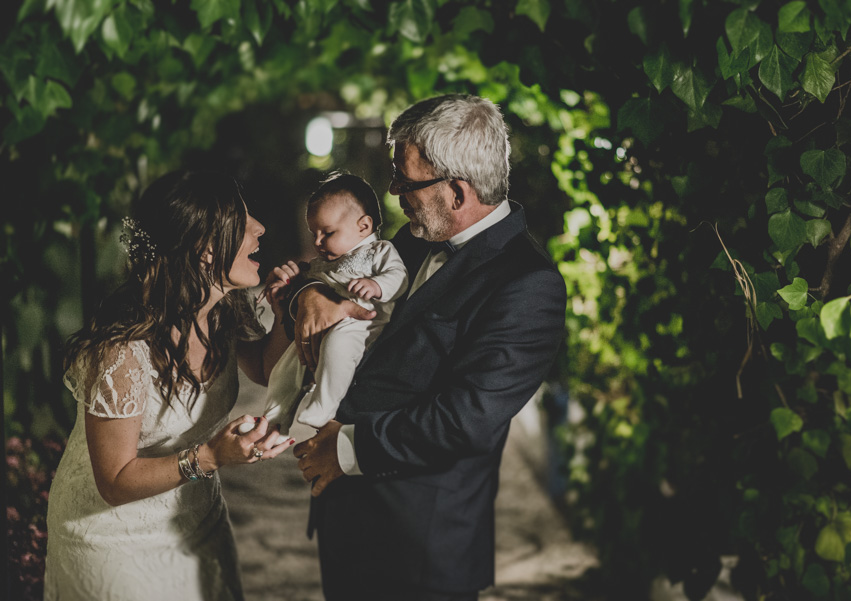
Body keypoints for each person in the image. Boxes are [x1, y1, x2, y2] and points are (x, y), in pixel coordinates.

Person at [290, 94, 568, 600]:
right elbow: (343, 272)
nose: (393, 190)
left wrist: (344, 448)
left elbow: (465, 417)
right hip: (348, 523)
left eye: (407, 181)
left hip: (418, 550)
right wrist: (309, 294)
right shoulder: (416, 238)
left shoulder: (527, 285)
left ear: (457, 192)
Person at [44, 170, 296, 601]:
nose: (260, 228)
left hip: (196, 518)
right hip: (110, 536)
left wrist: (286, 313)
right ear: (205, 249)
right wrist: (212, 455)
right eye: (242, 219)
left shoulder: (221, 312)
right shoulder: (121, 353)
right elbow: (115, 480)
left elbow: (261, 367)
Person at [260, 172, 407, 442]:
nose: (317, 242)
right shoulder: (323, 263)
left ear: (364, 226)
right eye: (314, 233)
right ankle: (274, 417)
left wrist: (377, 286)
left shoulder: (380, 251)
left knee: (337, 346)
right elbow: (304, 287)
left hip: (361, 329)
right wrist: (288, 285)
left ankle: (325, 406)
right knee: (287, 367)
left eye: (327, 233)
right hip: (321, 330)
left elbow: (399, 277)